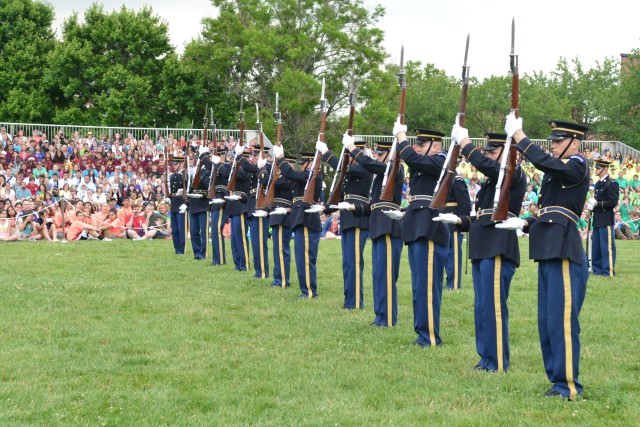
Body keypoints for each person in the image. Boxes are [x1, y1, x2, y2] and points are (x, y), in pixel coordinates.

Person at [499, 116, 590, 400]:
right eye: (552, 141)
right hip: (547, 247)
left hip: (563, 247)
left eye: (559, 141)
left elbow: (545, 163)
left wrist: (519, 137)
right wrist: (525, 223)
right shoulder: (557, 171)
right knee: (547, 321)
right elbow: (549, 210)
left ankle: (568, 385)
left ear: (575, 142)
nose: (553, 146)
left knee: (561, 321)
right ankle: (556, 380)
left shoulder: (577, 164)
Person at [438, 130, 527, 372]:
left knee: (493, 306)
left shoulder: (513, 173)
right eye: (486, 152)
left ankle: (497, 361)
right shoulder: (491, 184)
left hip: (498, 244)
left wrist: (466, 143)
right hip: (481, 243)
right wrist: (458, 221)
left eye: (493, 152)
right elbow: (481, 216)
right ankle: (486, 358)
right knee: (481, 306)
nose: (488, 156)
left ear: (508, 154)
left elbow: (489, 167)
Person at [390, 125, 450, 347]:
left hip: (430, 228)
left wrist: (401, 137)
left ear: (435, 146)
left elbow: (411, 158)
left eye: (421, 144)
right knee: (418, 286)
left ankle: (430, 336)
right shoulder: (427, 162)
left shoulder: (441, 160)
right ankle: (422, 333)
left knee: (427, 286)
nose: (416, 147)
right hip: (416, 224)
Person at [342, 138, 404, 327]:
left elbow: (368, 163)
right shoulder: (382, 175)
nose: (376, 157)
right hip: (378, 224)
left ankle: (387, 318)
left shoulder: (394, 168)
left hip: (388, 225)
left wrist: (352, 148)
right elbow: (373, 206)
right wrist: (353, 208)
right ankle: (380, 316)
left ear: (390, 154)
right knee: (378, 274)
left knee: (385, 274)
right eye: (375, 153)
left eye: (379, 154)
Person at [317, 138, 372, 310]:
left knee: (354, 263)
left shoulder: (364, 168)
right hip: (348, 220)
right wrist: (324, 209)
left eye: (352, 153)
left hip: (357, 220)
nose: (350, 157)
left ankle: (355, 302)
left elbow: (342, 167)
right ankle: (349, 301)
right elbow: (340, 198)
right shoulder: (350, 175)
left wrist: (326, 153)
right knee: (348, 264)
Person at [272, 146, 323, 299]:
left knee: (306, 259)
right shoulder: (304, 178)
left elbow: (289, 173)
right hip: (299, 218)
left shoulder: (312, 175)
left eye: (303, 163)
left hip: (307, 219)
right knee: (301, 259)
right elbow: (287, 179)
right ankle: (306, 290)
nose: (300, 166)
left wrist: (280, 156)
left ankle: (309, 292)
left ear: (310, 163)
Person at [238, 145, 270, 278]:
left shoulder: (267, 167)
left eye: (255, 156)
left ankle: (262, 272)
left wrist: (240, 155)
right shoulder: (257, 169)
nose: (253, 158)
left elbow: (248, 167)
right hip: (252, 207)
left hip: (261, 207)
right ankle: (258, 270)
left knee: (260, 243)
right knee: (255, 243)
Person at [267, 154, 295, 288]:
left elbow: (279, 183)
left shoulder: (290, 178)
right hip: (277, 214)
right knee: (277, 249)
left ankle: (282, 280)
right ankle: (278, 278)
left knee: (282, 250)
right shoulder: (280, 177)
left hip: (284, 216)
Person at [588, 159, 619, 276]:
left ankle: (608, 270)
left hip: (606, 219)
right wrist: (592, 206)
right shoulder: (598, 183)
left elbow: (612, 202)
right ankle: (597, 270)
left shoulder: (612, 183)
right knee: (596, 247)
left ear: (605, 169)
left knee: (607, 247)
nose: (596, 170)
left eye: (598, 168)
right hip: (597, 219)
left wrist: (597, 204)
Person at [225, 144, 253, 271]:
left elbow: (241, 175)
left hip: (241, 205)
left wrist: (237, 163)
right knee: (234, 239)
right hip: (233, 206)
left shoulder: (247, 171)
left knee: (241, 237)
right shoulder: (233, 170)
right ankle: (238, 263)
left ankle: (245, 263)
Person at [186, 147, 212, 260]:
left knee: (204, 231)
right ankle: (196, 253)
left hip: (203, 202)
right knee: (193, 231)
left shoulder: (209, 170)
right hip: (193, 203)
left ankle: (203, 253)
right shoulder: (193, 170)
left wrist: (198, 179)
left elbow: (208, 186)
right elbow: (189, 189)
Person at [208, 149, 230, 266]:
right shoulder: (214, 167)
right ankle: (216, 258)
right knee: (214, 231)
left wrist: (218, 163)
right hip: (215, 200)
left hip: (222, 199)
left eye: (220, 155)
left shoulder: (228, 166)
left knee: (217, 229)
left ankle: (220, 259)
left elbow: (226, 174)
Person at [168, 154, 188, 254]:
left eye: (176, 164)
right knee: (175, 229)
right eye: (173, 164)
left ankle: (182, 249)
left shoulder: (185, 175)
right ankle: (177, 249)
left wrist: (186, 203)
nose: (174, 166)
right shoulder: (172, 176)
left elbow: (187, 190)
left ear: (181, 163)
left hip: (182, 202)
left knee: (181, 228)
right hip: (174, 203)